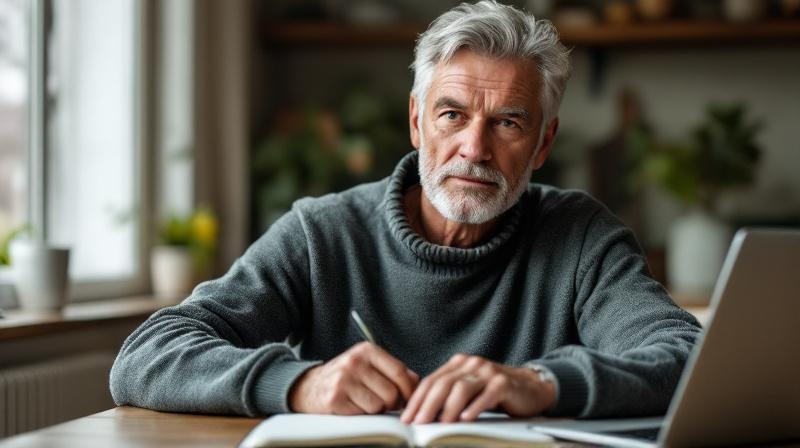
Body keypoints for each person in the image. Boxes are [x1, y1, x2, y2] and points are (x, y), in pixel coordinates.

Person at [110, 1, 701, 423]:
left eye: (507, 122)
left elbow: (687, 358)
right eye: (452, 115)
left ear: (543, 143)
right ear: (417, 122)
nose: (474, 148)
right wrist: (300, 386)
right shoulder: (323, 232)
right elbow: (147, 355)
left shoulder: (582, 237)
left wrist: (541, 382)